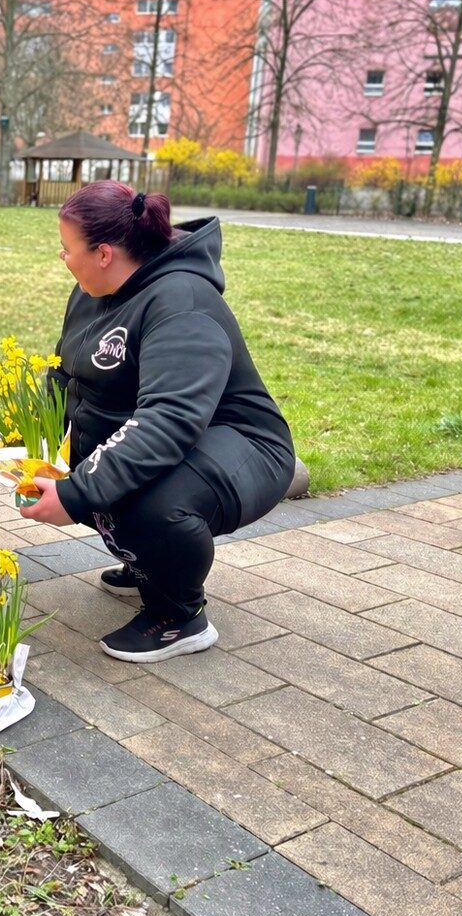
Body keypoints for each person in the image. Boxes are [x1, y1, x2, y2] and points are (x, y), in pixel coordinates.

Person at [19, 181, 295, 663]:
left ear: (103, 252)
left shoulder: (182, 301)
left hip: (244, 446)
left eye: (67, 248)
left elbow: (170, 420)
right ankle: (149, 564)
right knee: (99, 475)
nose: (62, 258)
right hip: (182, 434)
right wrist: (33, 443)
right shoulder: (90, 291)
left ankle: (179, 617)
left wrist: (80, 491)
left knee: (145, 502)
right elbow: (67, 373)